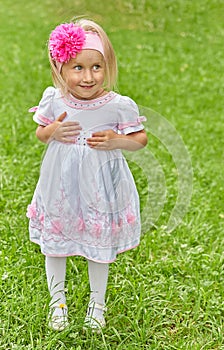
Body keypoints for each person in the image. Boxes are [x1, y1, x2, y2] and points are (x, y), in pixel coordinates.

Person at [27, 18, 147, 331]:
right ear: (60, 67)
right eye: (77, 67)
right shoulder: (54, 99)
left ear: (107, 66)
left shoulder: (117, 106)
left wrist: (115, 140)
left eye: (97, 66)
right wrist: (53, 129)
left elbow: (139, 140)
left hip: (100, 186)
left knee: (98, 245)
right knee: (56, 243)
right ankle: (58, 303)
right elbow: (41, 133)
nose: (88, 76)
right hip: (61, 185)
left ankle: (97, 304)